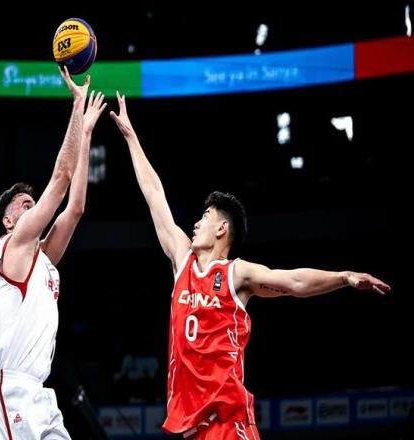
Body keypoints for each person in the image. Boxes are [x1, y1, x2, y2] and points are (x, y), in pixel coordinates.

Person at [110, 92, 391, 440]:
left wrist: (344, 277)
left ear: (222, 229)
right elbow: (155, 195)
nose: (195, 224)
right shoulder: (182, 261)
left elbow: (293, 281)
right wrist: (131, 137)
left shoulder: (236, 273)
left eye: (204, 217)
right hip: (191, 426)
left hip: (228, 422)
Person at [0, 68, 106, 439]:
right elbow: (61, 178)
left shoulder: (44, 259)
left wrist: (86, 134)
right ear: (8, 221)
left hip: (39, 393)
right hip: (12, 391)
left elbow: (76, 207)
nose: (32, 205)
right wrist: (77, 104)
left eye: (32, 202)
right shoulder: (13, 245)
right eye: (23, 203)